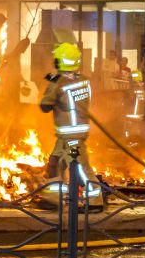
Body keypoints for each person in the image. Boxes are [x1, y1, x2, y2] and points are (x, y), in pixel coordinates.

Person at [40, 42, 103, 209]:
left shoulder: (58, 82)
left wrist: (52, 83)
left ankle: (95, 200)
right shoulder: (84, 80)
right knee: (55, 164)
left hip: (71, 134)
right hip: (70, 133)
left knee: (81, 167)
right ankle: (53, 199)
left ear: (60, 61)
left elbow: (45, 105)